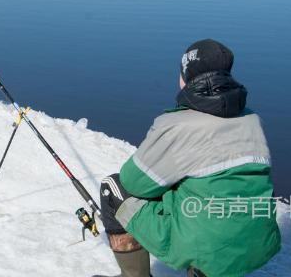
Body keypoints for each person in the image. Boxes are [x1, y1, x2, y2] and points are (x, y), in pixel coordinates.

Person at [100, 39, 281, 277]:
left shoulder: (177, 125)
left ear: (184, 77)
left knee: (113, 189)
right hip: (258, 243)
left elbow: (133, 182)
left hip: (208, 246)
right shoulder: (251, 119)